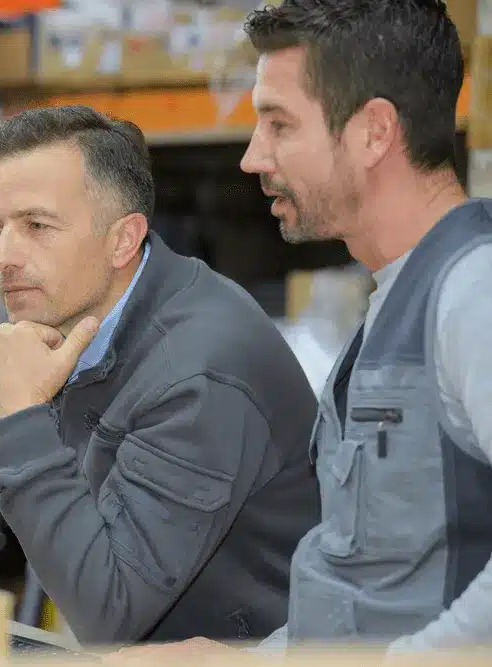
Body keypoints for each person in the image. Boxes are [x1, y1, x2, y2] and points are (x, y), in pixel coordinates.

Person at [108, 0, 492, 661]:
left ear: (374, 133)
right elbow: (365, 588)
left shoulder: (471, 292)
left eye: (280, 125)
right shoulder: (395, 304)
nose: (253, 158)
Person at [0, 104, 320, 645]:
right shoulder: (66, 306)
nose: (4, 256)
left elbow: (109, 615)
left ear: (122, 240)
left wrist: (22, 419)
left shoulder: (199, 374)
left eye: (37, 226)